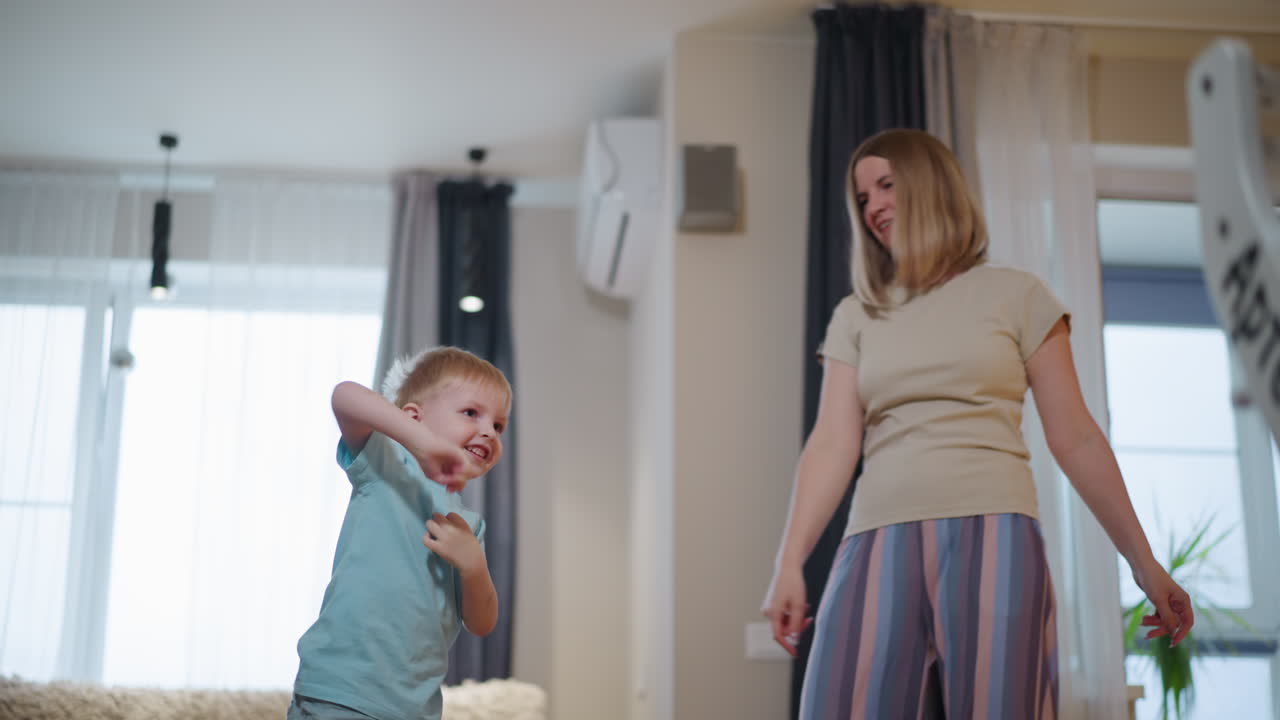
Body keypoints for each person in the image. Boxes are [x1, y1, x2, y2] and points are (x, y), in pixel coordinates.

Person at [761, 128, 1193, 719]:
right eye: (862, 198)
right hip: (877, 535)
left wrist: (1146, 566)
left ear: (931, 184)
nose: (874, 207)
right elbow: (833, 443)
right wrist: (789, 564)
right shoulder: (857, 315)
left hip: (996, 530)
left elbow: (1077, 437)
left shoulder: (1018, 296)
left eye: (887, 185)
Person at [288, 346, 510, 720]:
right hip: (342, 690)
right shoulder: (386, 465)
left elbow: (482, 622)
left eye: (499, 425)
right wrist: (418, 441)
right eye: (472, 413)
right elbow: (345, 395)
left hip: (413, 708)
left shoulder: (469, 526)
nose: (488, 431)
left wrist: (474, 567)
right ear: (413, 418)